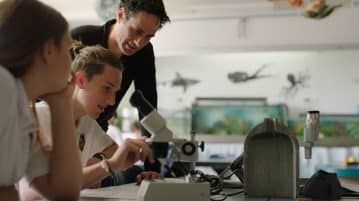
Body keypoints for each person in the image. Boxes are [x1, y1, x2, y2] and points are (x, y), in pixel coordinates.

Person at [19, 44, 163, 201]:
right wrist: (108, 166)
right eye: (107, 88)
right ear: (80, 80)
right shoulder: (35, 118)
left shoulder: (86, 122)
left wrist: (132, 169)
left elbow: (114, 150)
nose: (112, 101)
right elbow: (31, 193)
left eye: (115, 92)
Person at [72, 0, 170, 173]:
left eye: (148, 36)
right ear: (120, 15)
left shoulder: (143, 54)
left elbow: (147, 108)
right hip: (65, 125)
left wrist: (152, 168)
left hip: (98, 134)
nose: (140, 42)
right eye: (137, 31)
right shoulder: (82, 38)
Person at [0, 0, 82, 200]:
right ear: (49, 50)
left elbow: (64, 191)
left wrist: (61, 104)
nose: (72, 63)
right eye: (68, 49)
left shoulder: (22, 107)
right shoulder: (3, 84)